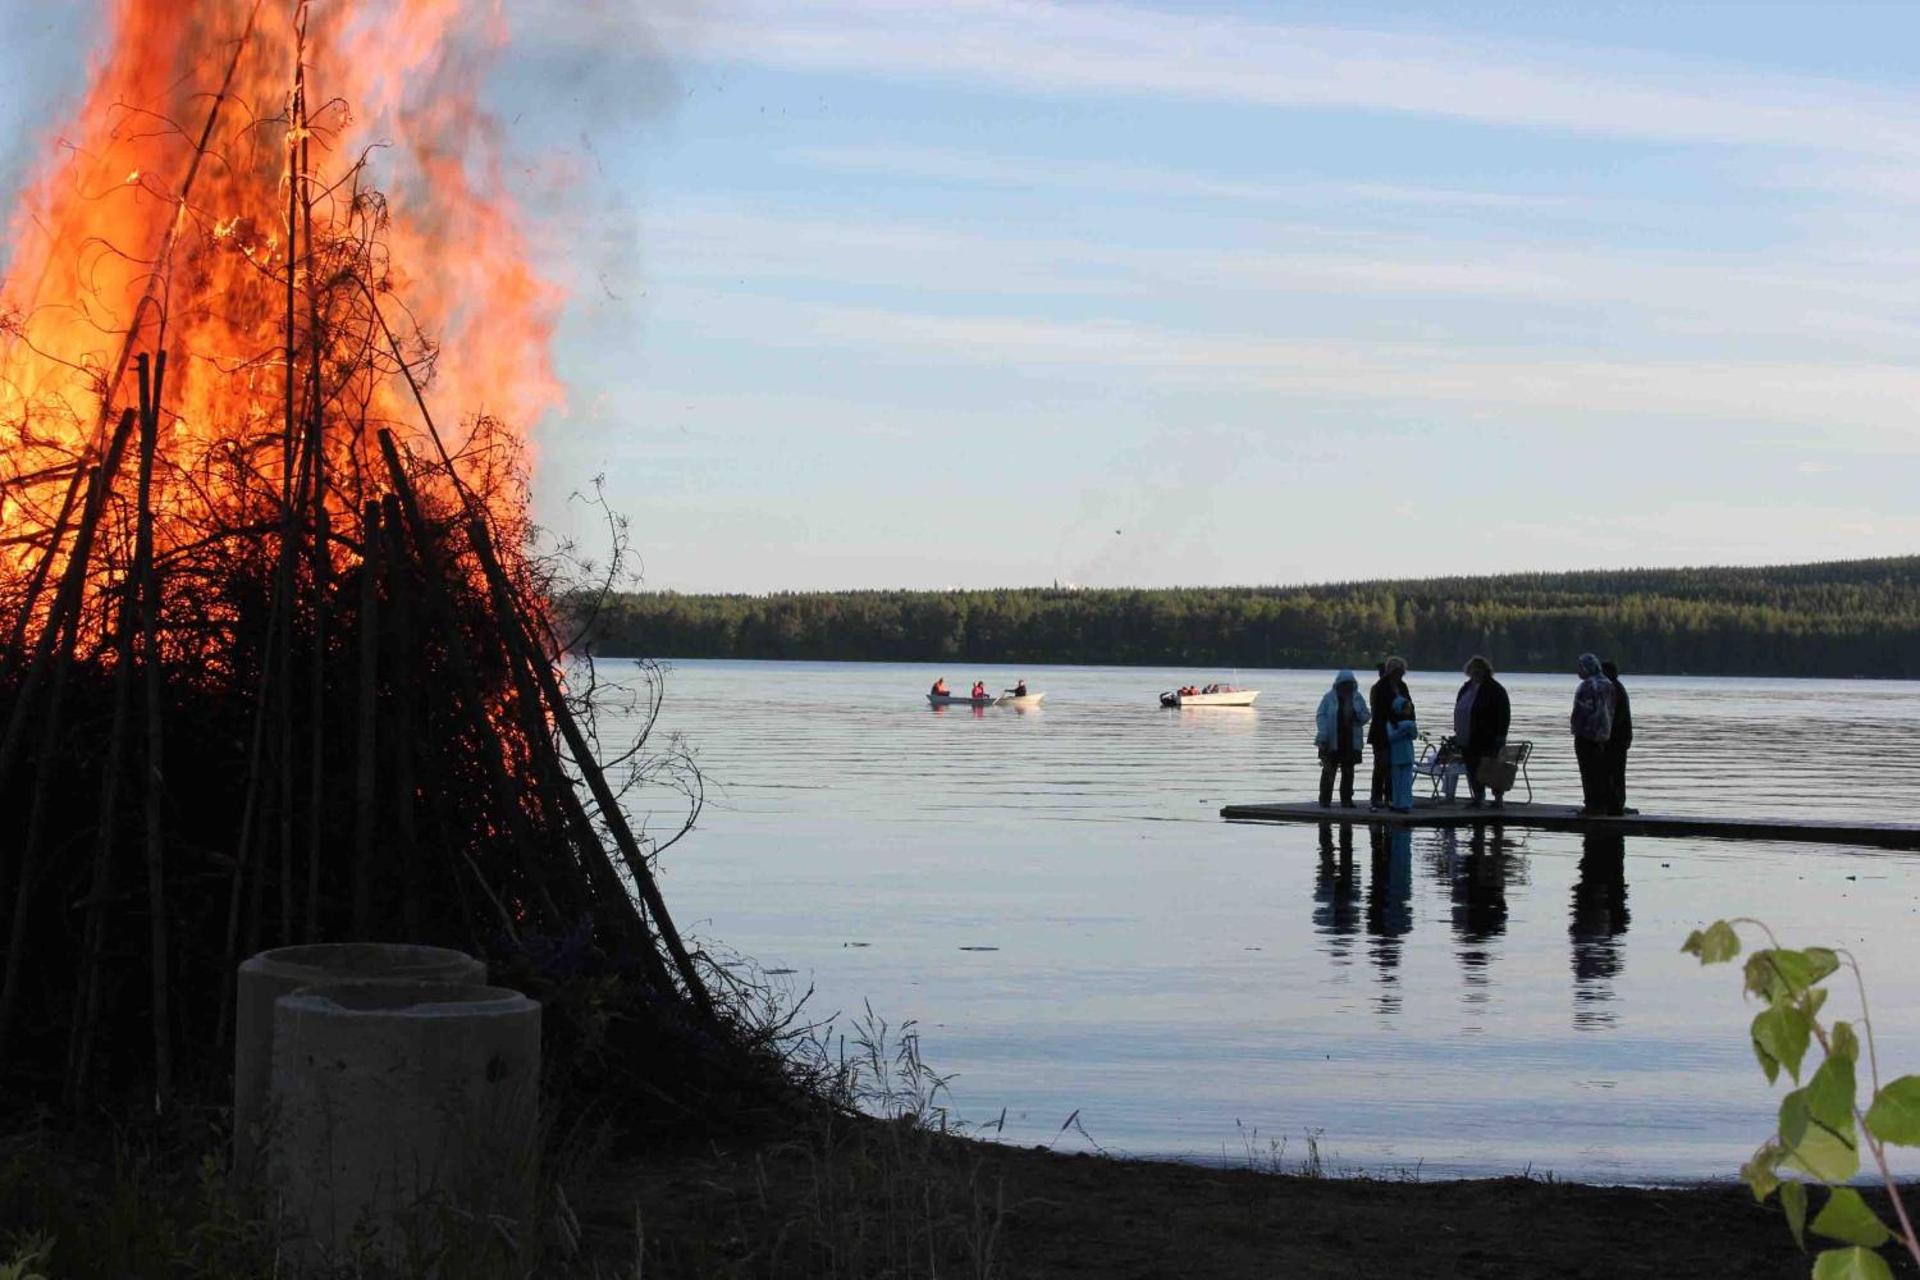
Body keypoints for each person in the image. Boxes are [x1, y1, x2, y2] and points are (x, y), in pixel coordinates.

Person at [1453, 656, 1512, 809]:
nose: (1476, 672)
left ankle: (1498, 799)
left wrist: (1501, 735)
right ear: (1469, 670)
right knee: (1472, 768)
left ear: (1486, 671)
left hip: (1488, 737)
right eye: (1473, 669)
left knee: (1492, 768)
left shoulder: (1495, 689)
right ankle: (1478, 797)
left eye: (1480, 669)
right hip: (1466, 737)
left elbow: (1504, 713)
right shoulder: (1466, 688)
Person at [1314, 669, 1370, 808]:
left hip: (1350, 740)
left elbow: (1366, 715)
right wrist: (1323, 733)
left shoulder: (1357, 698)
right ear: (1338, 684)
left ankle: (1346, 800)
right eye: (1344, 684)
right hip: (1332, 739)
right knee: (1328, 770)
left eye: (1349, 684)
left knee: (1348, 771)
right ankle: (1325, 800)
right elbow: (1321, 715)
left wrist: (1357, 715)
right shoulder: (1328, 698)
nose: (1347, 687)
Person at [1569, 653, 1615, 816]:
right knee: (1600, 772)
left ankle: (1591, 805)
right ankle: (1602, 805)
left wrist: (1575, 728)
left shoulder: (1587, 686)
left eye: (1580, 667)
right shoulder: (1608, 684)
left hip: (1586, 735)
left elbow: (1582, 712)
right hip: (1603, 736)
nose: (1578, 670)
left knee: (1587, 772)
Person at [1368, 657, 1411, 811]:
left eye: (1401, 672)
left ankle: (1392, 798)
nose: (1399, 675)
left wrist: (1408, 722)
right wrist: (1394, 719)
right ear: (1390, 671)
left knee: (1394, 766)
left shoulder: (1403, 686)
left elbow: (1409, 705)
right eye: (1396, 671)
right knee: (1381, 765)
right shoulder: (1379, 687)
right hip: (1381, 731)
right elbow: (1378, 710)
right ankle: (1376, 798)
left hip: (1399, 732)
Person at [1601, 660, 1632, 816]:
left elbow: (1615, 717)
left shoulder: (1614, 689)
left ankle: (1614, 804)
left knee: (1613, 771)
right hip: (1621, 738)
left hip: (1616, 739)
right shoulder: (1617, 687)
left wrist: (1604, 734)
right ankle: (1616, 802)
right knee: (1617, 772)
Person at [1386, 695, 1419, 813]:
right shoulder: (1391, 723)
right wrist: (1403, 730)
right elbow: (1390, 737)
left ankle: (1406, 804)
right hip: (1396, 755)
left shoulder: (1410, 723)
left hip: (1407, 754)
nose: (1408, 711)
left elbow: (1414, 736)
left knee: (1406, 782)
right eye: (1406, 708)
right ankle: (1397, 803)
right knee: (1396, 781)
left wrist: (1409, 729)